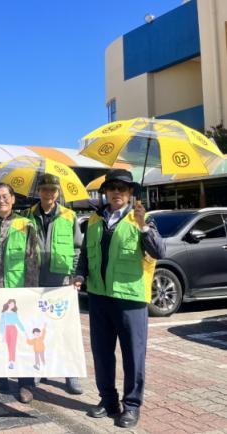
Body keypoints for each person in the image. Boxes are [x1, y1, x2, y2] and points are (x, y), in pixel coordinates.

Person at [77, 169, 165, 429]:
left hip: (130, 298)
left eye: (123, 188)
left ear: (130, 193)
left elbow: (159, 251)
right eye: (112, 187)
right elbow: (85, 255)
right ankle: (108, 401)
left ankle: (132, 405)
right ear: (105, 191)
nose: (117, 192)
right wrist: (80, 275)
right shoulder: (94, 220)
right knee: (102, 353)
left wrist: (143, 226)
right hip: (99, 296)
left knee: (133, 355)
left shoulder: (142, 219)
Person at [0, 183, 40, 402]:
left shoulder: (26, 224)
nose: (1, 200)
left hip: (18, 292)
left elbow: (32, 260)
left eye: (5, 196)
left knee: (21, 337)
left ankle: (25, 383)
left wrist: (30, 292)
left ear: (13, 199)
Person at [23, 173, 83, 395]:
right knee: (37, 327)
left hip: (61, 281)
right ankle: (40, 368)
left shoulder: (69, 216)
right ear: (38, 191)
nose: (49, 193)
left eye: (53, 190)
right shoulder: (27, 216)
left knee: (66, 329)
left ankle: (71, 373)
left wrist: (74, 275)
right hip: (36, 279)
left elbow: (78, 247)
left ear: (58, 193)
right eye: (45, 189)